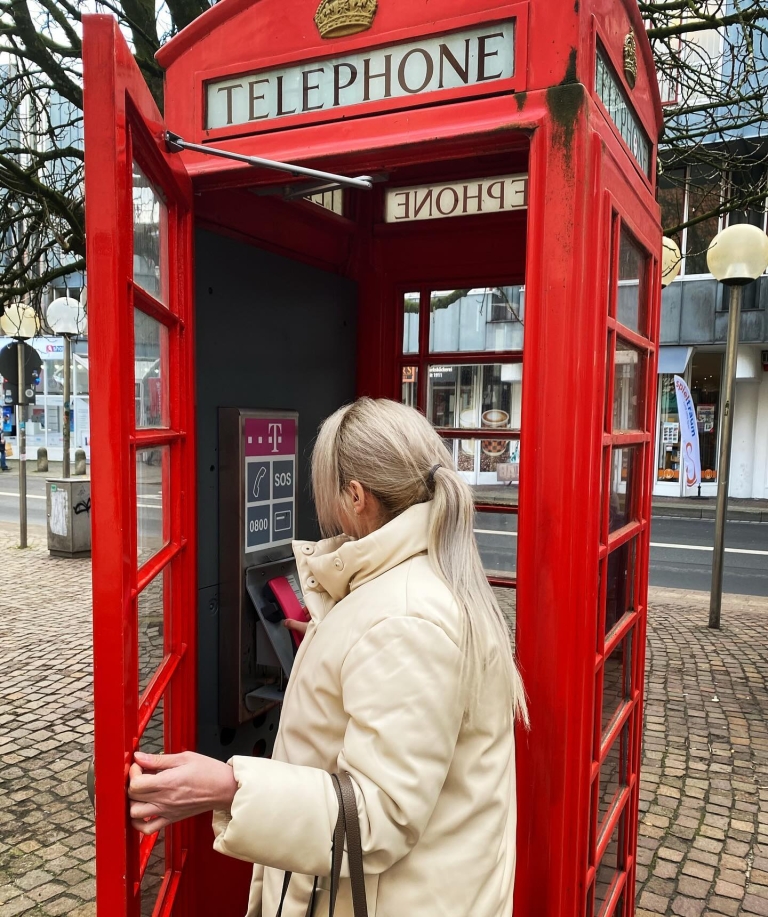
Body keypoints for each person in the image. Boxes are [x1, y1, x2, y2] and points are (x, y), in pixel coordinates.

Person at [129, 398, 528, 917]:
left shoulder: (406, 619)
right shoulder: (419, 582)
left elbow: (379, 816)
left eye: (326, 492)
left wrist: (228, 788)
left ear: (356, 496)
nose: (326, 510)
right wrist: (326, 648)